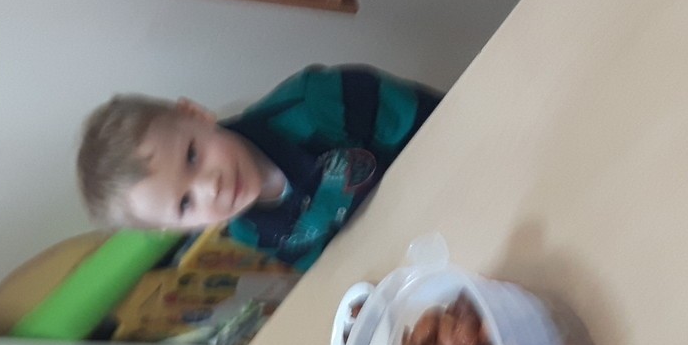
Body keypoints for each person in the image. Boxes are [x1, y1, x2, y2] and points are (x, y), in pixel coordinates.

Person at [76, 66, 442, 271]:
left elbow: (443, 122)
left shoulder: (316, 102)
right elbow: (330, 266)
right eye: (186, 203)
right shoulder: (249, 233)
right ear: (178, 229)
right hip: (422, 254)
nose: (211, 187)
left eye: (192, 156)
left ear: (195, 115)